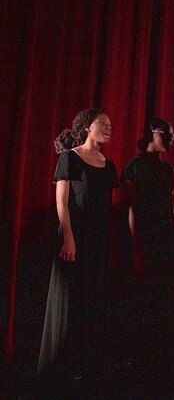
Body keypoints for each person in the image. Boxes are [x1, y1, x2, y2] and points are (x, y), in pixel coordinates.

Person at [38, 108, 118, 377]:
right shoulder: (69, 158)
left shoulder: (109, 165)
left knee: (93, 298)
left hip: (98, 237)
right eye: (102, 123)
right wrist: (69, 237)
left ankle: (86, 364)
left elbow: (107, 207)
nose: (108, 127)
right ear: (86, 127)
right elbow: (62, 202)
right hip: (74, 234)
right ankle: (62, 365)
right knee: (71, 297)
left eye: (110, 124)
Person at [121, 117, 174, 367]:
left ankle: (162, 353)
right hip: (145, 236)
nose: (169, 138)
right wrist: (136, 248)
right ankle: (140, 356)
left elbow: (173, 206)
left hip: (167, 237)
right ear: (151, 133)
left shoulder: (167, 168)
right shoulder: (135, 165)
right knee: (143, 295)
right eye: (164, 132)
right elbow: (131, 207)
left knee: (165, 295)